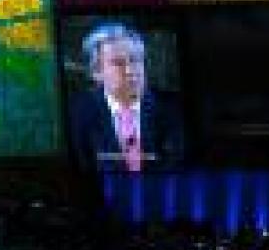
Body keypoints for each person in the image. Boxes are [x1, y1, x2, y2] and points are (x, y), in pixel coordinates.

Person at [67, 22, 183, 175]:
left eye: (135, 60)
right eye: (118, 63)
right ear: (96, 72)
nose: (130, 71)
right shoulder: (75, 115)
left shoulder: (175, 109)